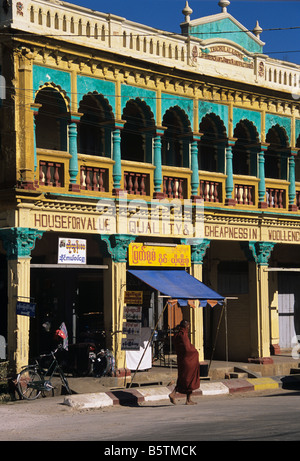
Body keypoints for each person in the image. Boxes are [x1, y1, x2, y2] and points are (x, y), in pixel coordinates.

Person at [169, 320, 200, 405]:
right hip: (188, 361)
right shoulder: (183, 335)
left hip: (181, 359)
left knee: (183, 378)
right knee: (190, 379)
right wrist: (195, 351)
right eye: (188, 326)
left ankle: (187, 399)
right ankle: (176, 395)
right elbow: (187, 348)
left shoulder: (177, 335)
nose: (189, 328)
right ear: (186, 326)